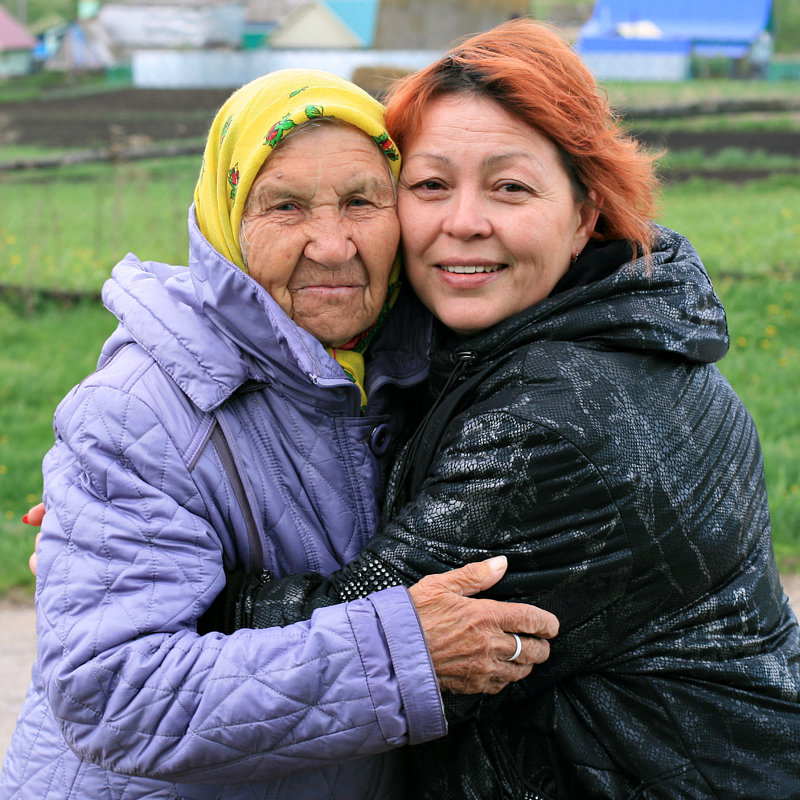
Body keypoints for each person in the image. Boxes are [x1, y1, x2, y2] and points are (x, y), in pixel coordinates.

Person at [205, 20, 800, 798]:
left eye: (510, 187)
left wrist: (149, 554)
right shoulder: (523, 336)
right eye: (430, 185)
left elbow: (366, 630)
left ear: (586, 213)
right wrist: (176, 480)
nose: (463, 221)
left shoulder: (560, 418)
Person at [0, 68, 558, 800]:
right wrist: (400, 654)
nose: (331, 245)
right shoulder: (136, 413)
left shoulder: (424, 369)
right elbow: (114, 694)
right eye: (284, 206)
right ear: (227, 217)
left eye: (362, 201)